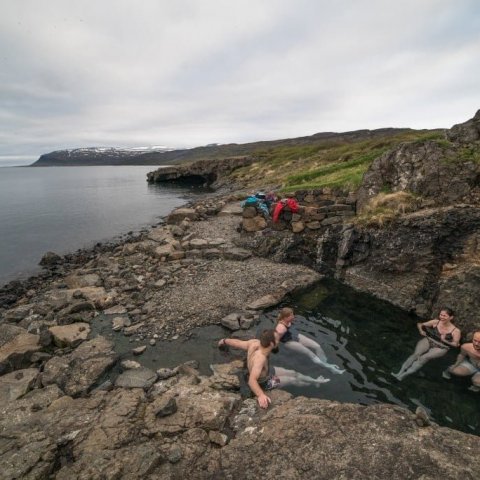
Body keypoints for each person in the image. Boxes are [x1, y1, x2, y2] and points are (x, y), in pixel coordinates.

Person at [218, 329, 329, 409]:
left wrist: (224, 341)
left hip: (266, 371)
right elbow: (252, 381)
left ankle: (314, 381)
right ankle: (314, 383)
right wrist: (261, 395)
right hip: (263, 382)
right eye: (277, 339)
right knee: (293, 380)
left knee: (293, 373)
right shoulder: (260, 359)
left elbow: (237, 343)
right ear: (271, 343)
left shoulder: (254, 343)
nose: (279, 340)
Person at [392, 308, 461, 381]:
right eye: (441, 315)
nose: (442, 317)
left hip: (442, 346)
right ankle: (400, 372)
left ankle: (404, 375)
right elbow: (420, 324)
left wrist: (444, 340)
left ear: (451, 317)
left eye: (445, 316)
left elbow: (456, 344)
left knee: (423, 358)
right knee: (416, 354)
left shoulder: (455, 331)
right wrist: (421, 330)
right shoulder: (436, 322)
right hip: (429, 339)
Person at [274, 308, 345, 374]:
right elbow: (276, 340)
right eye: (291, 315)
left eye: (293, 314)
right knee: (310, 354)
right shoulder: (280, 328)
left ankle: (326, 364)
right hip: (288, 342)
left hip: (294, 335)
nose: (293, 316)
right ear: (286, 317)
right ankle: (330, 368)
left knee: (317, 346)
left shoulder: (288, 321)